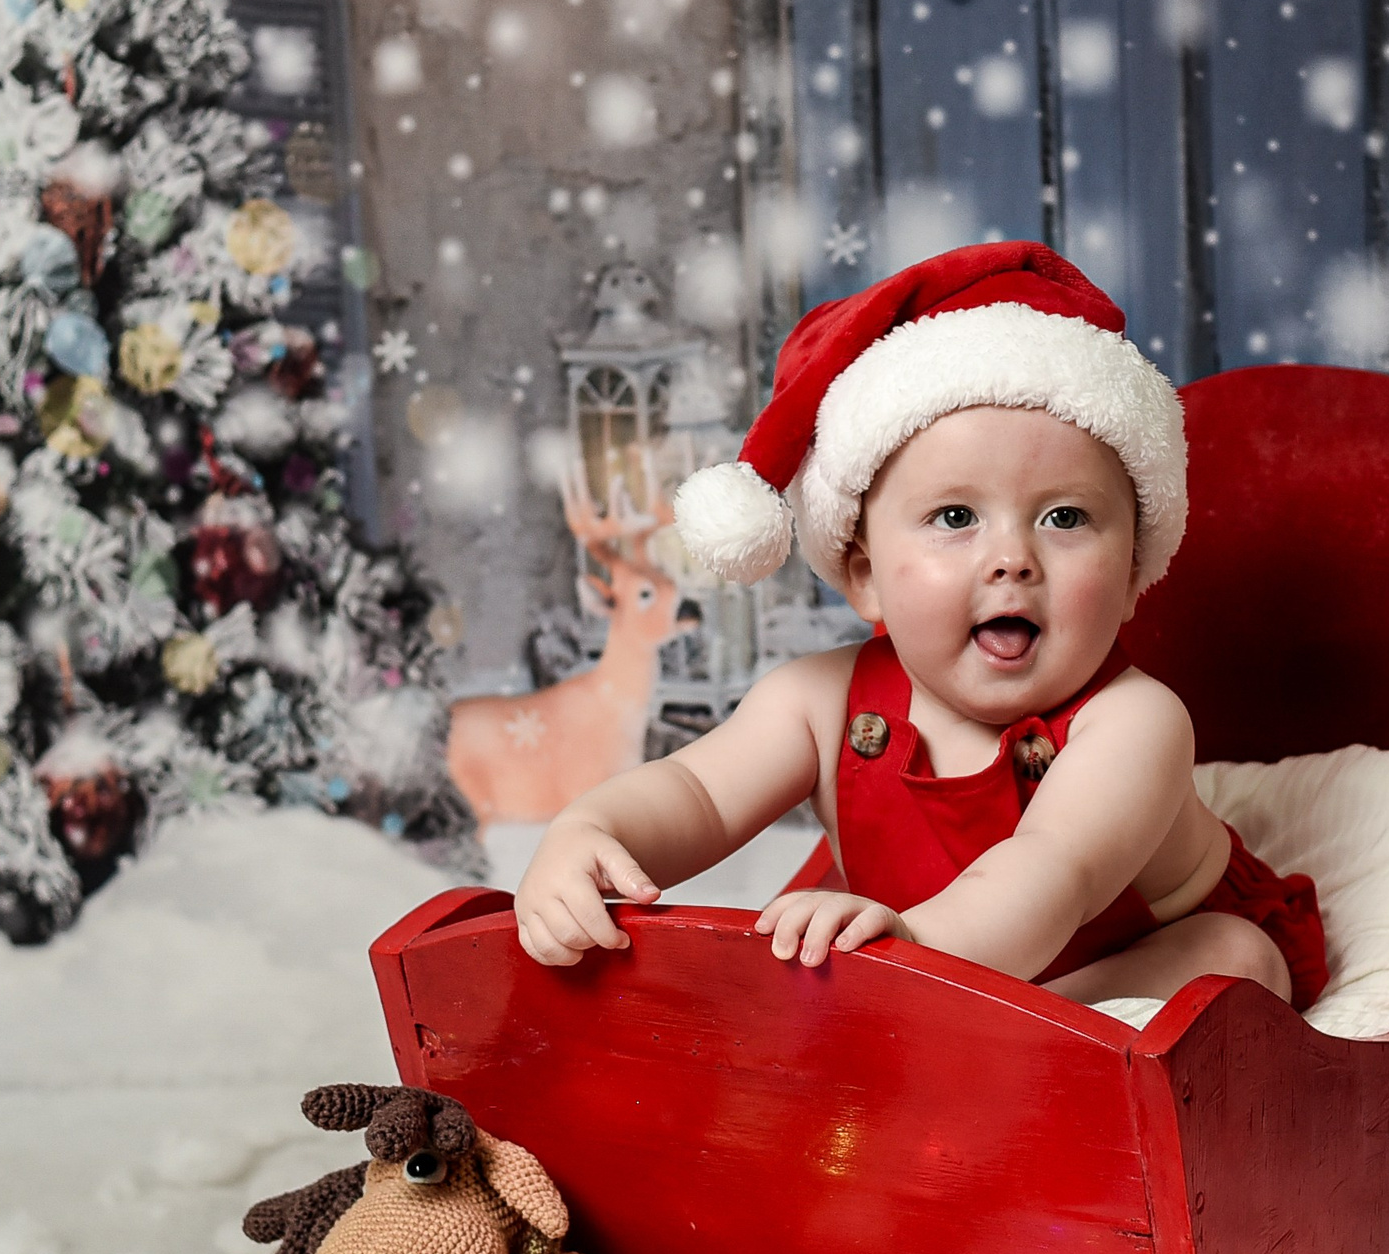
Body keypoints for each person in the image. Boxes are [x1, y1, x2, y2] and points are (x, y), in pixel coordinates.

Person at [512, 242, 1325, 1010]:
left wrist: (918, 940)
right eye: (955, 515)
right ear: (864, 575)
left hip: (1103, 964)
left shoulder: (1134, 723)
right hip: (912, 969)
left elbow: (1052, 871)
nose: (1012, 559)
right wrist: (591, 831)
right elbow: (697, 793)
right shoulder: (819, 702)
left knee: (1234, 964)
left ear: (1132, 577)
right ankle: (951, 1035)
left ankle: (1009, 1038)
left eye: (1066, 517)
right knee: (798, 956)